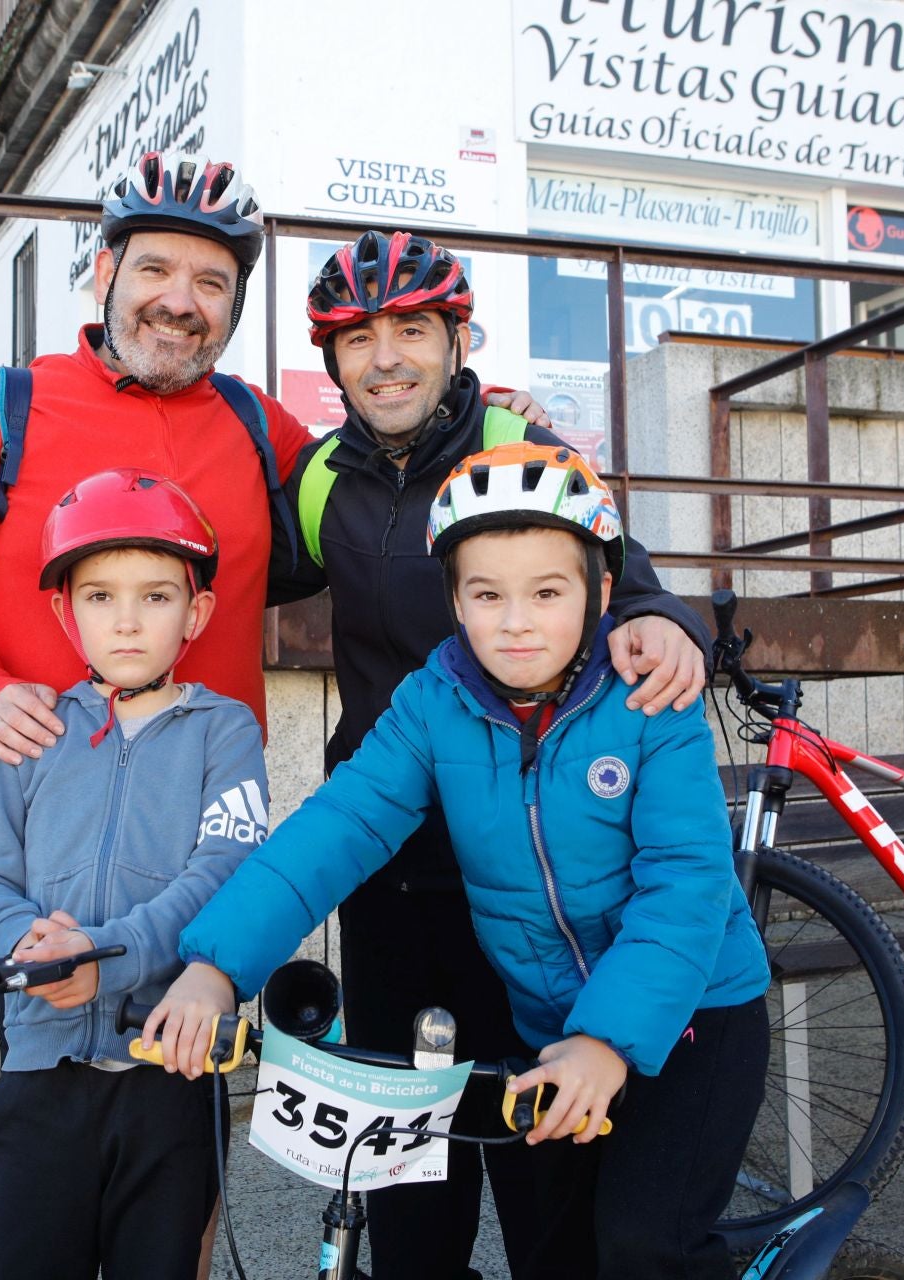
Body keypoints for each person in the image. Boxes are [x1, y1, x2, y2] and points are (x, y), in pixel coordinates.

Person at [146, 442, 770, 1278]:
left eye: (548, 592)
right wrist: (216, 966)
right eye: (487, 594)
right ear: (454, 601)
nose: (516, 621)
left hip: (701, 1014)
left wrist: (607, 1042)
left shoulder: (651, 701)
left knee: (645, 1243)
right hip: (549, 1027)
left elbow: (686, 888)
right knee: (555, 1254)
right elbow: (336, 829)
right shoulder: (433, 703)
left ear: (602, 592)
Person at [0, 157, 702, 785]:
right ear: (106, 277)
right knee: (52, 1001)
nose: (179, 301)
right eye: (154, 270)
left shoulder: (252, 421)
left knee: (205, 1002)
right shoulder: (12, 408)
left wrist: (475, 407)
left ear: (234, 307)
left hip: (214, 797)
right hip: (49, 782)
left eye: (211, 283)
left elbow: (385, 451)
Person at [262, 229, 710, 1279]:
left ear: (457, 340)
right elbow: (216, 574)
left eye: (412, 329)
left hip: (519, 858)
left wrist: (667, 616)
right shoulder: (323, 477)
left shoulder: (519, 436)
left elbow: (620, 575)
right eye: (358, 337)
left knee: (539, 1152)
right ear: (331, 362)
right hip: (387, 855)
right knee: (405, 1153)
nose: (386, 357)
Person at [0, 469, 268, 1280]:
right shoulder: (37, 726)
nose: (126, 621)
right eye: (99, 597)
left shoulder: (223, 731)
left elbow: (222, 874)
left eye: (156, 597)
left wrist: (103, 955)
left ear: (196, 611)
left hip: (170, 1071)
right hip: (39, 1071)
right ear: (66, 611)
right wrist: (28, 941)